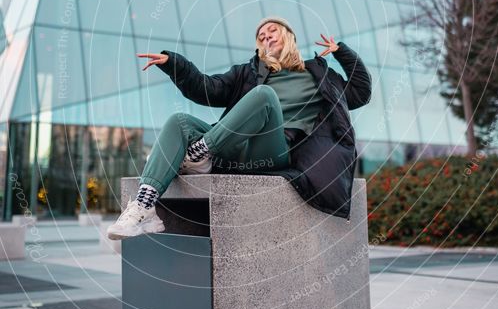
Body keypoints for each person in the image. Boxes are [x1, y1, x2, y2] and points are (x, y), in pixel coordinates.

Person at [107, 17, 372, 239]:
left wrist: (342, 52)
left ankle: (200, 152)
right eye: (261, 36)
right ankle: (144, 207)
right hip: (232, 146)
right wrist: (174, 63)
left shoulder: (321, 77)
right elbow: (207, 89)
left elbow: (361, 92)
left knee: (264, 96)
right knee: (179, 122)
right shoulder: (249, 72)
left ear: (288, 35)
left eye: (272, 31)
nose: (266, 37)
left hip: (273, 151)